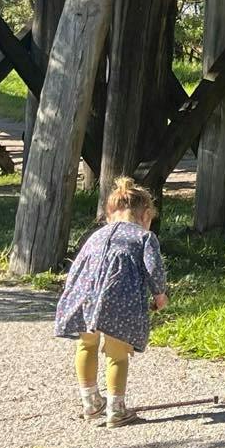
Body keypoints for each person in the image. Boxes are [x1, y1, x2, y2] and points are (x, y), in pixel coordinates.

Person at [53, 177, 170, 428]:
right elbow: (154, 268)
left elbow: (77, 268)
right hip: (120, 300)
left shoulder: (95, 237)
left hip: (85, 297)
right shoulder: (144, 238)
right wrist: (159, 294)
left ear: (108, 214)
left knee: (87, 345)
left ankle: (91, 401)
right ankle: (117, 409)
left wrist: (69, 295)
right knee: (117, 354)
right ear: (146, 216)